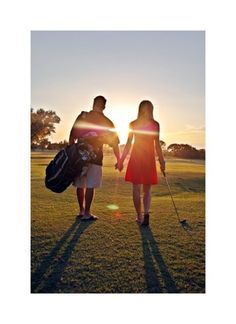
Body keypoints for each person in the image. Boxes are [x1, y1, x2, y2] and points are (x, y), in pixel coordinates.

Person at [69, 95, 120, 220]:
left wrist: (73, 154)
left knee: (81, 185)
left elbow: (71, 137)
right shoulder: (107, 122)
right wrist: (119, 160)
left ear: (93, 104)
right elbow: (114, 144)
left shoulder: (83, 116)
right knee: (90, 186)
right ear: (104, 106)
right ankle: (87, 213)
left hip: (79, 158)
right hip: (96, 158)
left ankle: (81, 211)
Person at [117, 100, 165, 226]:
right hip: (147, 158)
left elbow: (128, 144)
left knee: (136, 189)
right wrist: (162, 161)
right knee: (147, 190)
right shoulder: (155, 124)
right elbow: (157, 146)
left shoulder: (133, 123)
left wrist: (121, 160)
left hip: (137, 158)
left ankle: (139, 215)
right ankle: (146, 213)